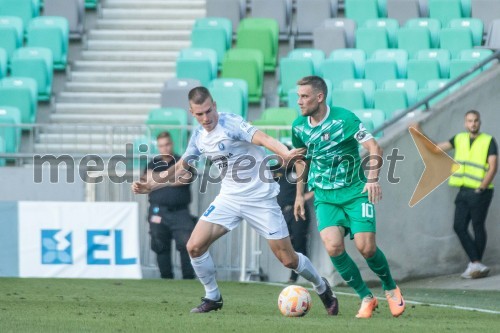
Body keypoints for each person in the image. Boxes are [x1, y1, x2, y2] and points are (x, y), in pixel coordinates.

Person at [132, 87, 339, 315]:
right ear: (192, 112)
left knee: (288, 259)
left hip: (260, 197)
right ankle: (213, 296)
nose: (206, 118)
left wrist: (285, 153)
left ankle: (322, 286)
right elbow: (182, 166)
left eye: (209, 111)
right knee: (194, 246)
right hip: (229, 198)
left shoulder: (231, 124)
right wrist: (152, 184)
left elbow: (263, 138)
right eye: (200, 114)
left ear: (215, 105)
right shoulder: (199, 137)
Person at [292, 76, 405, 319]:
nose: (299, 101)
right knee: (333, 247)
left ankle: (389, 287)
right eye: (298, 96)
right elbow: (302, 160)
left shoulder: (345, 119)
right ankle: (365, 296)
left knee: (366, 247)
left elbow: (375, 147)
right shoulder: (298, 126)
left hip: (356, 193)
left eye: (304, 96)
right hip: (325, 197)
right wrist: (299, 195)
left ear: (319, 97)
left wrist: (373, 179)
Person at [411, 111, 497, 279]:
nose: (473, 124)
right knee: (459, 226)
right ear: (465, 123)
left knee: (478, 226)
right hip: (463, 190)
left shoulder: (488, 140)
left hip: (481, 191)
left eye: (475, 121)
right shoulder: (459, 138)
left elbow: (493, 166)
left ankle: (475, 264)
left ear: (480, 122)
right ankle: (476, 263)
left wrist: (481, 187)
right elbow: (436, 149)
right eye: (469, 121)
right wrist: (419, 133)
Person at [142, 131, 196, 280]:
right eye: (161, 146)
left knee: (187, 245)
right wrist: (173, 177)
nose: (164, 148)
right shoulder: (152, 163)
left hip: (180, 212)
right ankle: (166, 279)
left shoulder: (182, 161)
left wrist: (158, 180)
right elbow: (147, 182)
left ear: (171, 144)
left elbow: (186, 178)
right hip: (158, 211)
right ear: (158, 147)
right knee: (160, 245)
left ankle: (188, 279)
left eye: (167, 144)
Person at [271, 150, 313, 284]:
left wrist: (302, 198)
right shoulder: (273, 170)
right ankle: (297, 270)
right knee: (285, 243)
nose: (283, 158)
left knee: (300, 242)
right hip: (280, 213)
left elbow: (314, 187)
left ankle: (295, 277)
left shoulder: (299, 169)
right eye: (280, 155)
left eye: (286, 156)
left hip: (298, 211)